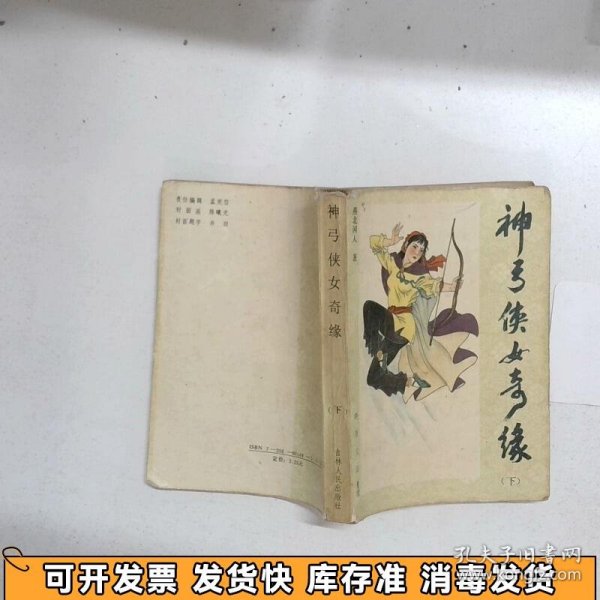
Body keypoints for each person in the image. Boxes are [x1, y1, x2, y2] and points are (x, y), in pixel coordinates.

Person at [364, 223, 477, 402]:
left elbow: (434, 286)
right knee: (373, 377)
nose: (417, 251)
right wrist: (390, 241)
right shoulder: (393, 264)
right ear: (405, 245)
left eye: (421, 249)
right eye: (414, 246)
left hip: (403, 326)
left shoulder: (420, 276)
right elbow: (374, 244)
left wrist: (453, 286)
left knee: (369, 307)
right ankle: (407, 382)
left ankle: (376, 349)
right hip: (391, 322)